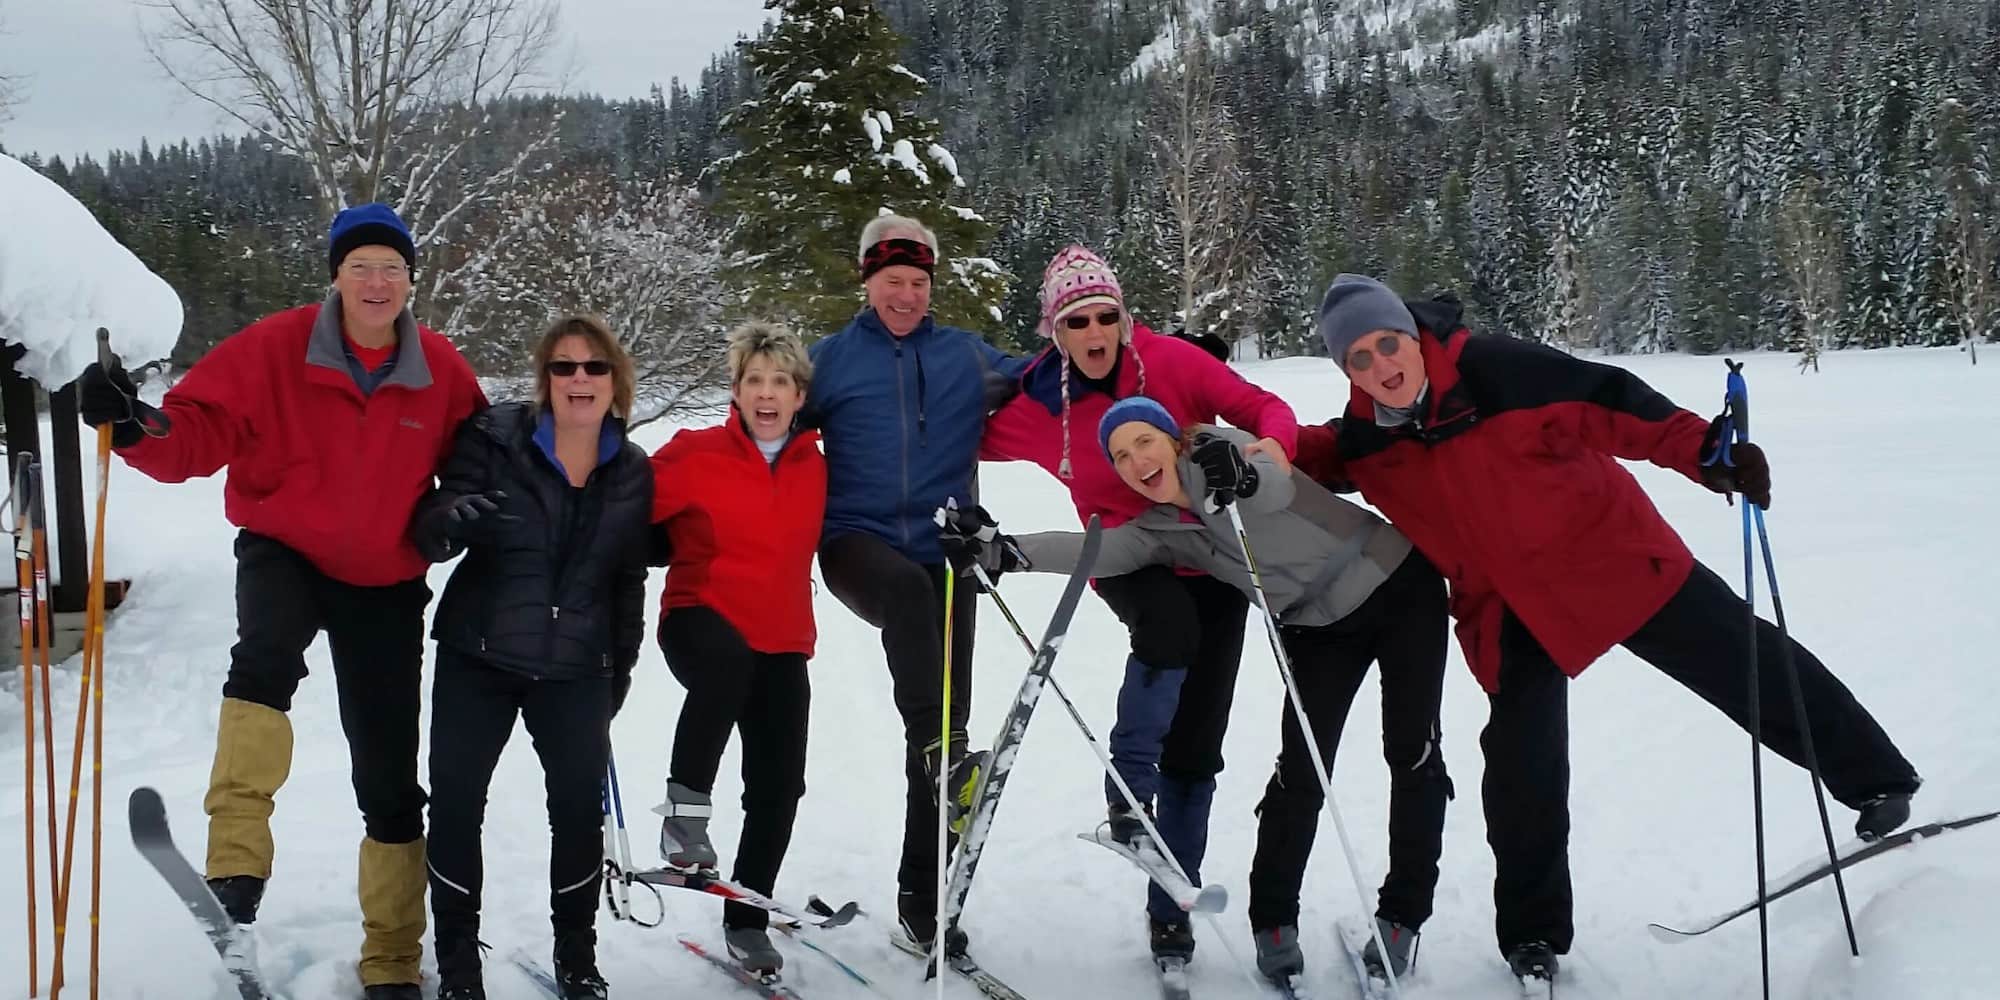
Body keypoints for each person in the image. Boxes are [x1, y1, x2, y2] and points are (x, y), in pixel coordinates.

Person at [1292, 273, 1923, 984]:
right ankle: (1533, 932)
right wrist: (1250, 450)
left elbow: (1614, 404)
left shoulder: (1500, 371)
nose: (1382, 365)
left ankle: (1875, 780)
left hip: (1611, 557)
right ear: (1346, 371)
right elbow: (1308, 453)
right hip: (1511, 608)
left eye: (1388, 343)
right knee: (1521, 766)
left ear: (1411, 334)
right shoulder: (1367, 442)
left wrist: (1707, 454)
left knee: (1743, 660)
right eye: (1360, 359)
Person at [74, 203, 487, 999]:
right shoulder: (274, 347)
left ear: (410, 282)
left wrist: (447, 515)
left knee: (389, 770)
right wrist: (133, 426)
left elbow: (476, 458)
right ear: (335, 275)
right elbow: (194, 430)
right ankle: (235, 862)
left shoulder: (441, 368)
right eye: (361, 266)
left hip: (385, 574)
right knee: (262, 664)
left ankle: (394, 953)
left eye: (392, 269)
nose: (376, 282)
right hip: (286, 547)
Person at [949, 397, 1451, 984]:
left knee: (1413, 753)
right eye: (1120, 456)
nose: (1137, 461)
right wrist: (1006, 551)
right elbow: (1100, 551)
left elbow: (1272, 484)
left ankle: (1402, 916)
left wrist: (1237, 473)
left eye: (1145, 443)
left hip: (1398, 587)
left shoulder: (1225, 453)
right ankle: (1273, 919)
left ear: (1172, 440)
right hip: (1317, 627)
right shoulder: (1163, 529)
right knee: (1302, 768)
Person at [976, 245, 1301, 966]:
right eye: (1075, 322)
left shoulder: (1176, 364)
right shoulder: (1039, 401)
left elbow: (1268, 409)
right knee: (1164, 624)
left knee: (1197, 752)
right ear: (1053, 333)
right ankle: (1126, 796)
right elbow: (952, 437)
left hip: (1213, 556)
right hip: (1126, 554)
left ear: (1124, 319)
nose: (1094, 333)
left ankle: (1171, 910)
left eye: (1105, 317)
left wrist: (1257, 457)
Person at [802, 214, 1029, 954]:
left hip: (946, 552)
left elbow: (1054, 378)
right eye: (893, 281)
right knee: (910, 610)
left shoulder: (967, 357)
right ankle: (946, 751)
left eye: (919, 283)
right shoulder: (830, 360)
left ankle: (920, 901)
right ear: (867, 281)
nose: (906, 295)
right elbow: (762, 424)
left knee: (942, 729)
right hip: (857, 546)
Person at [412, 314, 652, 1000]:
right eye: (564, 367)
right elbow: (434, 522)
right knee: (456, 806)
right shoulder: (495, 439)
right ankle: (459, 963)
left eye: (594, 367)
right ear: (545, 379)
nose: (580, 379)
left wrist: (619, 672)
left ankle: (577, 958)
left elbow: (628, 581)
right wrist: (450, 523)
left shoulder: (632, 471)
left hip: (577, 668)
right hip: (478, 655)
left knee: (578, 813)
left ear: (616, 380)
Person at [647, 321, 826, 975]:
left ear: (800, 394)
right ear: (737, 389)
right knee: (725, 670)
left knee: (780, 784)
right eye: (755, 379)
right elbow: (622, 504)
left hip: (782, 638)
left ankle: (748, 920)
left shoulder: (818, 470)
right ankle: (683, 821)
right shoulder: (694, 452)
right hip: (700, 618)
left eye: (781, 381)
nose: (767, 393)